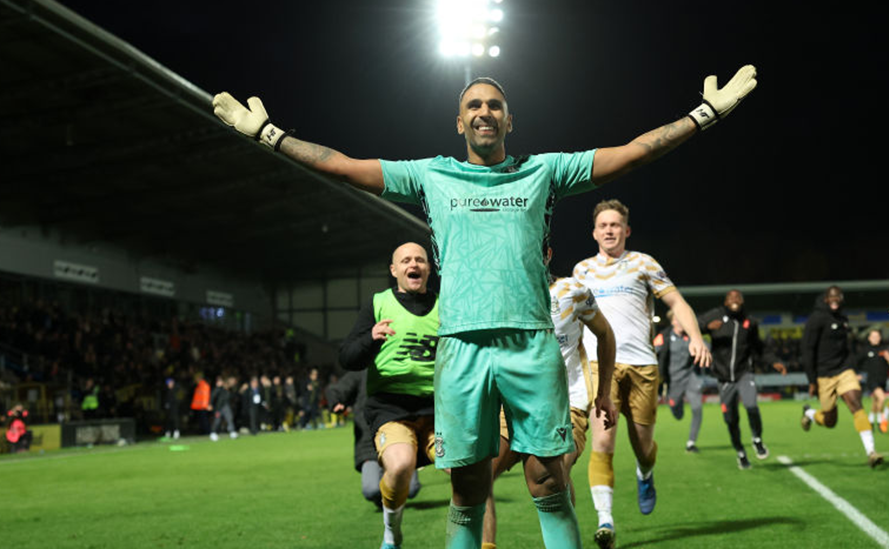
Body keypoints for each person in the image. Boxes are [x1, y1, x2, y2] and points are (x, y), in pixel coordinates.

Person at [214, 64, 757, 549]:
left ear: (509, 120)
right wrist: (269, 135)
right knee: (469, 484)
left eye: (494, 104)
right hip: (461, 350)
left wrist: (703, 115)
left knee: (549, 477)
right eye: (473, 104)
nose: (483, 111)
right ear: (459, 122)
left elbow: (633, 153)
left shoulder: (544, 171)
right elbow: (344, 167)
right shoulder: (430, 175)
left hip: (530, 345)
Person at [574, 199, 711, 546]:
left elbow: (676, 302)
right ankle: (605, 521)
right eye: (603, 225)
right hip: (599, 365)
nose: (609, 230)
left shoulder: (643, 263)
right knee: (603, 440)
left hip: (643, 366)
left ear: (626, 230)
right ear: (594, 232)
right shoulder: (582, 271)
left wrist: (696, 337)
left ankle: (645, 472)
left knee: (643, 445)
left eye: (615, 225)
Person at [482, 267, 618, 549]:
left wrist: (604, 393)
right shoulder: (500, 293)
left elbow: (605, 334)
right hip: (512, 407)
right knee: (476, 476)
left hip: (565, 404)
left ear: (547, 254)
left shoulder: (573, 291)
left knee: (551, 480)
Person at [338, 242, 440, 549]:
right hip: (391, 407)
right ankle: (392, 535)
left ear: (428, 268)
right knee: (399, 466)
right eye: (406, 260)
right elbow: (347, 358)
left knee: (468, 472)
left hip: (439, 409)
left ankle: (471, 539)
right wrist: (370, 339)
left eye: (420, 260)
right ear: (394, 270)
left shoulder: (446, 305)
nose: (414, 264)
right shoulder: (378, 303)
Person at [699, 289, 785, 470]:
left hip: (744, 373)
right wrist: (706, 328)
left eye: (737, 297)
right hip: (723, 379)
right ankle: (740, 453)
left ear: (742, 301)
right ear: (725, 301)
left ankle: (757, 439)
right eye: (731, 297)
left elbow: (759, 348)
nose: (734, 300)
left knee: (751, 405)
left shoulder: (749, 322)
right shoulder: (715, 315)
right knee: (731, 419)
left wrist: (774, 361)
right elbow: (692, 326)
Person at [799, 286, 882, 467]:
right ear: (826, 299)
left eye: (838, 298)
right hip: (823, 375)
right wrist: (812, 380)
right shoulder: (817, 319)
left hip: (844, 370)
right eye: (831, 298)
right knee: (830, 421)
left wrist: (852, 367)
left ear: (841, 299)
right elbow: (807, 350)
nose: (835, 300)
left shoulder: (843, 319)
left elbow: (846, 348)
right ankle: (810, 413)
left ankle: (871, 452)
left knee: (856, 404)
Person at [326, 369, 422, 510]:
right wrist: (336, 402)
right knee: (371, 489)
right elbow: (337, 389)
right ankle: (384, 494)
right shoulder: (362, 372)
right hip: (370, 440)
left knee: (412, 489)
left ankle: (390, 481)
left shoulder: (400, 367)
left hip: (400, 436)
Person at [654, 310, 705, 454]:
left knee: (697, 408)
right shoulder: (664, 336)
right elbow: (652, 351)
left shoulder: (692, 336)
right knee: (677, 413)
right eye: (679, 319)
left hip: (691, 377)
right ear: (673, 322)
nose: (682, 322)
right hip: (673, 380)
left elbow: (705, 347)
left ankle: (691, 443)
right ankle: (675, 404)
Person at [856, 329, 889, 430]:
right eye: (873, 336)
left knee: (876, 401)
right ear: (869, 338)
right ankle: (880, 420)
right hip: (871, 380)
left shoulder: (884, 349)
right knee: (882, 398)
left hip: (883, 379)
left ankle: (870, 420)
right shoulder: (865, 350)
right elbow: (856, 362)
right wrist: (857, 374)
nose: (875, 338)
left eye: (877, 336)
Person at [210, 376, 239, 441]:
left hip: (226, 406)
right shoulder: (219, 389)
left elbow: (233, 397)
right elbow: (213, 396)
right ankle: (213, 433)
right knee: (217, 421)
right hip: (219, 407)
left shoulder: (230, 390)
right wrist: (210, 404)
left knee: (229, 418)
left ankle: (232, 432)